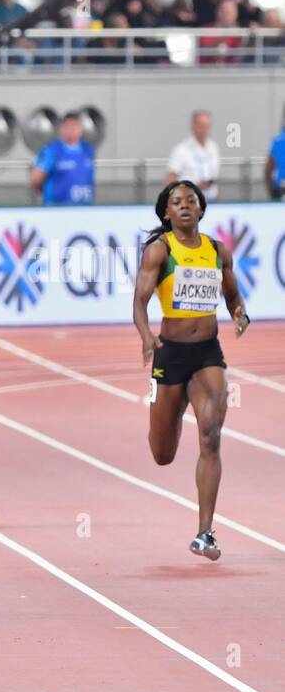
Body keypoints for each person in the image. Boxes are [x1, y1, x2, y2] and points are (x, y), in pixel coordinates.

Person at [133, 180, 248, 560]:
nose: (184, 206)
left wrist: (238, 312)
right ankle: (174, 406)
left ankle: (205, 533)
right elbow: (140, 301)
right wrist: (147, 336)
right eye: (176, 202)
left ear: (201, 209)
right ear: (166, 212)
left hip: (207, 355)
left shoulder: (217, 251)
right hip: (170, 356)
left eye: (191, 201)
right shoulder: (159, 251)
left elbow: (231, 292)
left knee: (211, 434)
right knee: (162, 453)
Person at [30, 112, 95, 205]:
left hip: (84, 208)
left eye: (74, 126)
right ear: (62, 129)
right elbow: (36, 180)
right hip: (58, 209)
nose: (71, 130)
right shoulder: (52, 150)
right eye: (68, 127)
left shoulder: (88, 150)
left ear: (80, 129)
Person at [165, 110, 220, 203]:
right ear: (193, 127)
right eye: (201, 126)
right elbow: (169, 179)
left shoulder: (213, 147)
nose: (204, 130)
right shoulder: (181, 150)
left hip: (211, 200)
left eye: (207, 126)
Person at [265, 107, 285, 200]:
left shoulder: (278, 140)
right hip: (280, 189)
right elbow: (268, 169)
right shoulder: (278, 140)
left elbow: (268, 169)